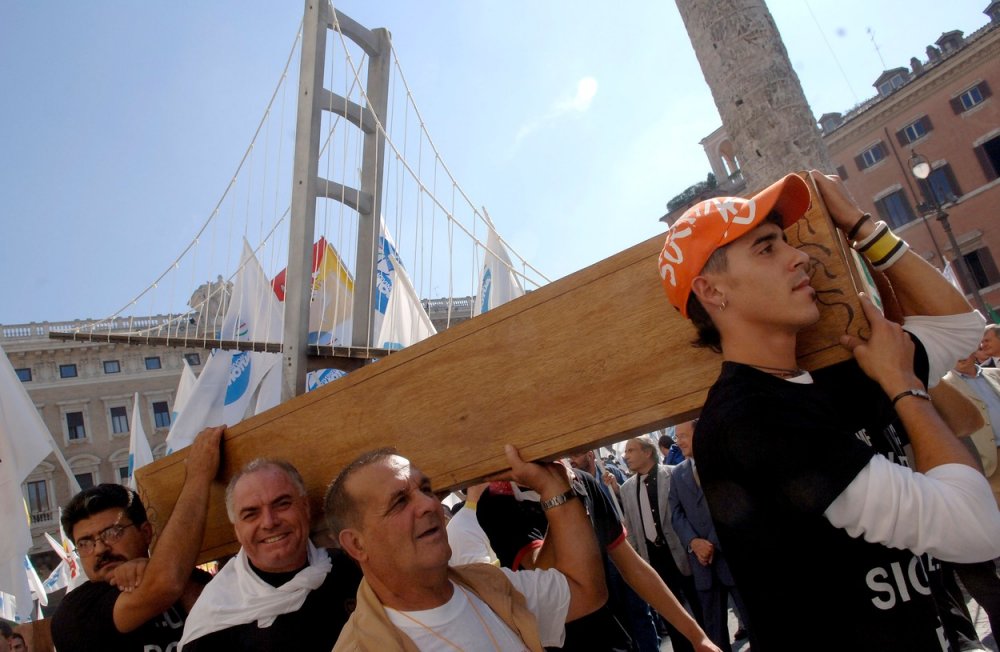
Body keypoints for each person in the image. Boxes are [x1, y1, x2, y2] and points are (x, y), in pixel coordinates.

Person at [657, 170, 1000, 650]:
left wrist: (861, 228)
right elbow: (976, 529)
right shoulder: (750, 421)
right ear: (712, 292)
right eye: (767, 247)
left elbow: (960, 328)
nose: (799, 256)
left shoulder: (838, 375)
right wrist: (902, 385)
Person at [325, 445, 608, 650]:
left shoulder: (489, 586)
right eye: (399, 502)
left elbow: (585, 591)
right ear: (356, 544)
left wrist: (553, 488)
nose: (429, 504)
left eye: (425, 489)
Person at [51, 426, 224, 652]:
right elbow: (165, 583)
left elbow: (220, 625)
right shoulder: (77, 611)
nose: (100, 549)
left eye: (112, 532)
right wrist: (199, 477)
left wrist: (151, 569)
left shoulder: (191, 578)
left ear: (145, 533)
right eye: (85, 543)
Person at [179, 459, 362, 650]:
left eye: (282, 504)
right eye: (251, 514)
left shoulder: (352, 569)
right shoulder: (213, 624)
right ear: (237, 531)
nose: (269, 522)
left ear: (305, 507)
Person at [609, 434, 703, 650]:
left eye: (631, 450)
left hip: (683, 555)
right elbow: (630, 529)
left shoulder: (674, 475)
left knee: (700, 609)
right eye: (625, 452)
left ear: (647, 452)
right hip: (655, 561)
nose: (625, 456)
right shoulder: (627, 489)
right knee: (672, 616)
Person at [668, 420, 749, 652]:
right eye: (676, 436)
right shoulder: (678, 474)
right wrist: (694, 542)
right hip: (702, 566)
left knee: (751, 616)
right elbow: (676, 514)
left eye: (683, 435)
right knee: (714, 630)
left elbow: (732, 503)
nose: (678, 441)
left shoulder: (721, 463)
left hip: (730, 558)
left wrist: (711, 543)